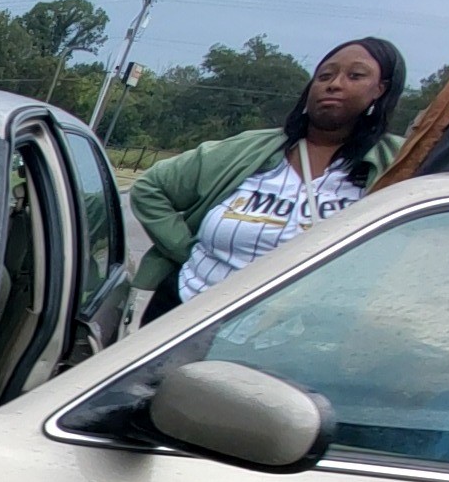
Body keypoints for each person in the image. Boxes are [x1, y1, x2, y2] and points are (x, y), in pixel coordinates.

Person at [131, 38, 407, 322]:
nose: (334, 84)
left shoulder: (399, 164)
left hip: (294, 344)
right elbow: (150, 188)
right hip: (182, 320)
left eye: (355, 76)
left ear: (381, 89)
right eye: (325, 75)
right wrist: (185, 250)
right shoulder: (248, 150)